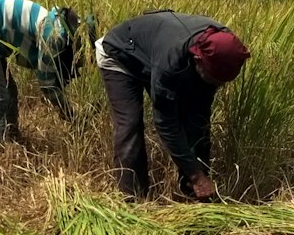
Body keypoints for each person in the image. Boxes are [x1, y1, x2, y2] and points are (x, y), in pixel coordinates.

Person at [96, 11, 250, 201]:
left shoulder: (224, 46)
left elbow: (199, 115)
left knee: (197, 120)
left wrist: (198, 171)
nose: (216, 86)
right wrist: (195, 175)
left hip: (154, 51)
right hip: (120, 55)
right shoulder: (170, 63)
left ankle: (193, 198)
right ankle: (132, 200)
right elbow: (165, 123)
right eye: (213, 80)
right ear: (198, 61)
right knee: (131, 124)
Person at [0, 0, 83, 149]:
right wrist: (70, 115)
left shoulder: (58, 22)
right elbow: (47, 85)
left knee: (9, 92)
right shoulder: (55, 37)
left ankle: (9, 140)